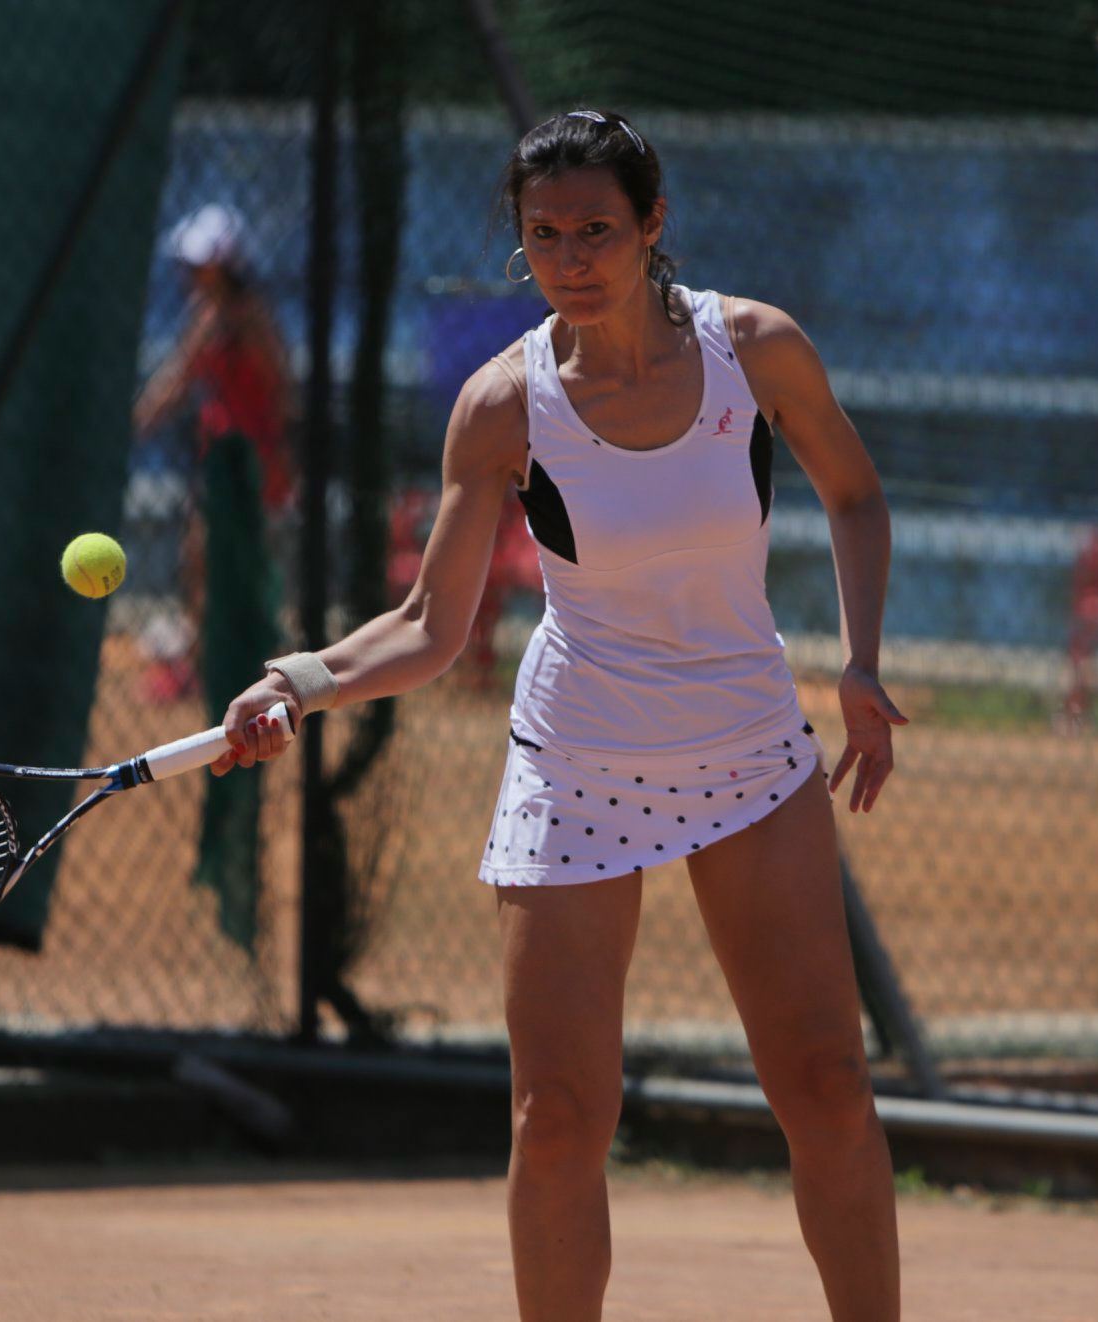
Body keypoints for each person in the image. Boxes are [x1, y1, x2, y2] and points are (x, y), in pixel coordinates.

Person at [214, 109, 906, 1322]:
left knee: (830, 1082)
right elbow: (432, 622)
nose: (573, 256)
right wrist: (299, 679)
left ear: (652, 226)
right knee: (559, 1117)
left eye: (597, 229)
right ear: (520, 246)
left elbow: (853, 494)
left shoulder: (758, 352)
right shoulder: (502, 405)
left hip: (749, 742)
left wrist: (858, 660)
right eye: (545, 236)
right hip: (577, 761)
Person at [131, 203, 295, 949]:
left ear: (226, 260)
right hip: (222, 462)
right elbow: (176, 379)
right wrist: (135, 423)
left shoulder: (248, 313)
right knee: (201, 566)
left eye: (203, 259)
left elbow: (279, 383)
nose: (193, 270)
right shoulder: (208, 314)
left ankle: (241, 662)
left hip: (250, 465)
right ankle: (206, 661)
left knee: (230, 570)